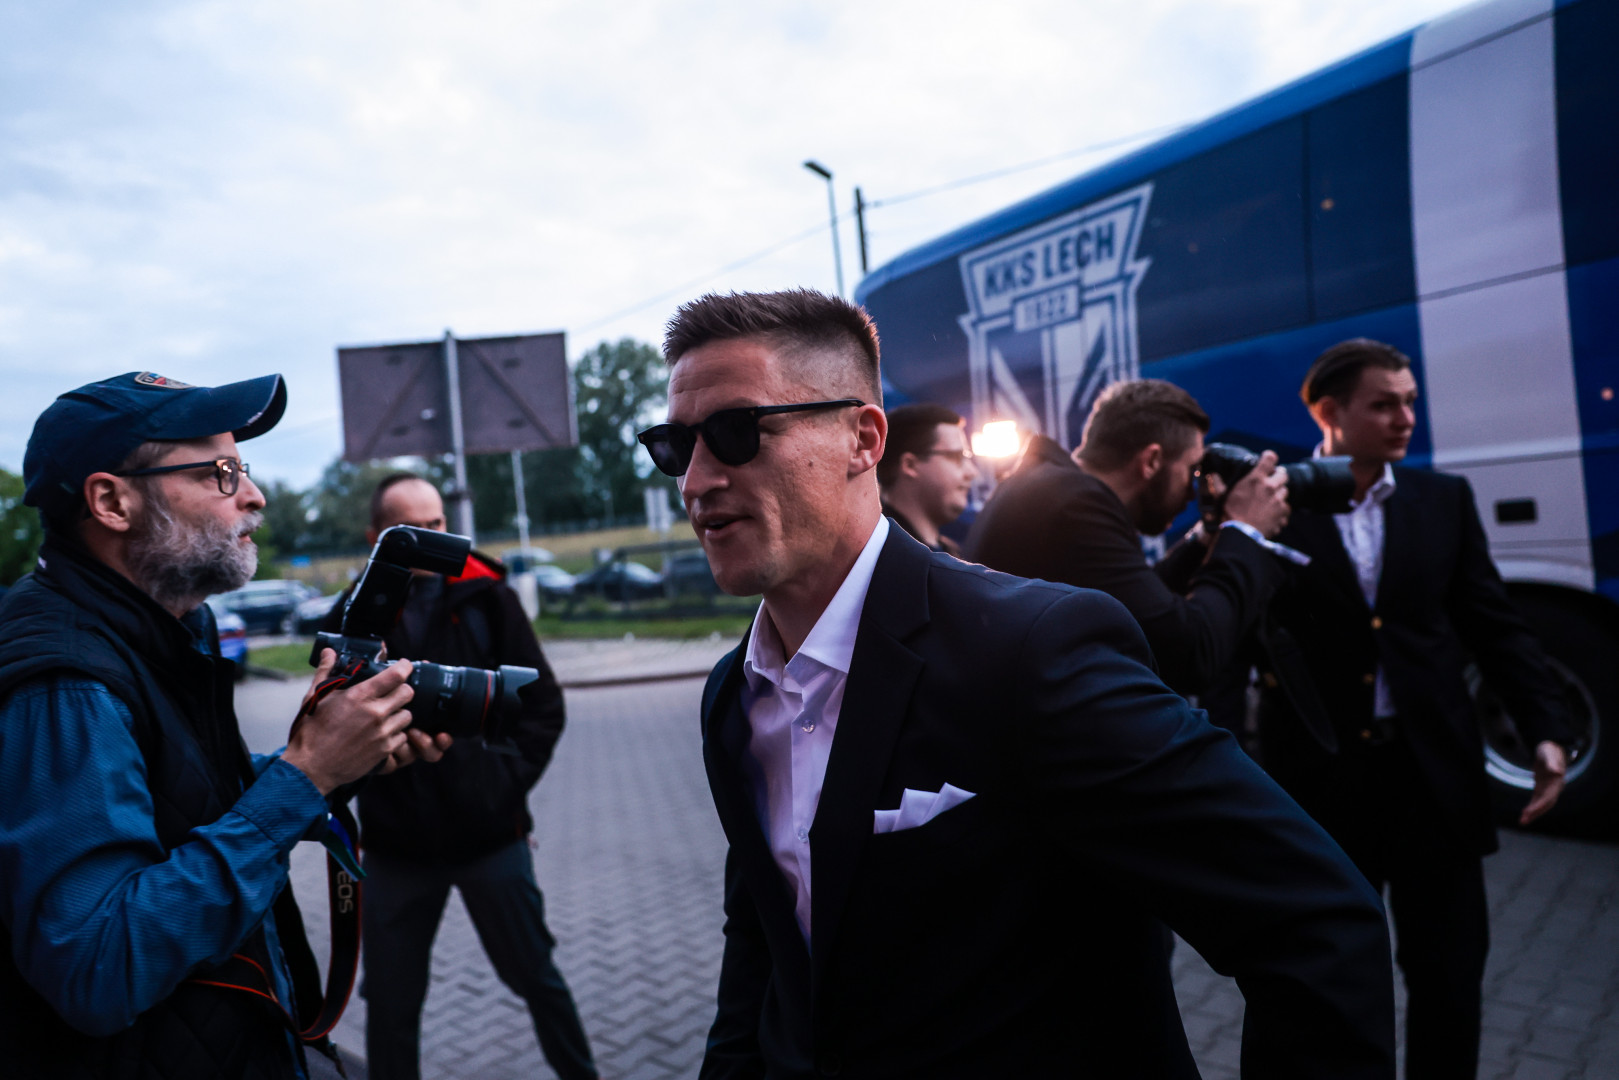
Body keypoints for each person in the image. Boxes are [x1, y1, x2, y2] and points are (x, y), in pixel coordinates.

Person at [637, 288, 1397, 1079]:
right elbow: (763, 947)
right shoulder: (735, 696)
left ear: (862, 439)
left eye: (735, 433)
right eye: (674, 446)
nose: (695, 481)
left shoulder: (1030, 652)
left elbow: (1313, 920)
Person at [0, 372, 447, 1079]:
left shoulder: (164, 627)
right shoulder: (66, 684)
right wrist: (304, 778)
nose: (254, 495)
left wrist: (337, 759)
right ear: (111, 501)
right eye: (220, 473)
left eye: (244, 468)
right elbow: (94, 965)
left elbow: (182, 810)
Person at [1256, 339, 1574, 1080]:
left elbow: (1493, 626)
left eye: (1409, 401)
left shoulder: (1442, 500)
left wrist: (1545, 728)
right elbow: (1234, 638)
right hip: (1323, 785)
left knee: (1449, 977)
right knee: (1336, 983)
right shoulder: (1275, 506)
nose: (1405, 418)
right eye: (1383, 404)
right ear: (1328, 412)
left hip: (1434, 780)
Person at [318, 473, 598, 1080]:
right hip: (395, 849)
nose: (431, 539)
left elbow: (542, 708)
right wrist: (375, 757)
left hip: (490, 838)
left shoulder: (488, 597)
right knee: (390, 1004)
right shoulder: (353, 617)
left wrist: (496, 788)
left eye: (438, 524)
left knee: (537, 978)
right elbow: (330, 734)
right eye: (413, 529)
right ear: (378, 537)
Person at [964, 378, 1292, 698]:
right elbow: (1190, 654)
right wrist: (1244, 530)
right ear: (1151, 461)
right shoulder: (1076, 505)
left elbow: (1135, 605)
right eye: (1191, 470)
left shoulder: (1049, 489)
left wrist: (1206, 538)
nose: (1193, 493)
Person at [876, 403, 976, 554]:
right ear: (910, 465)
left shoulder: (952, 553)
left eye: (967, 457)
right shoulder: (884, 555)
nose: (972, 472)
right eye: (956, 457)